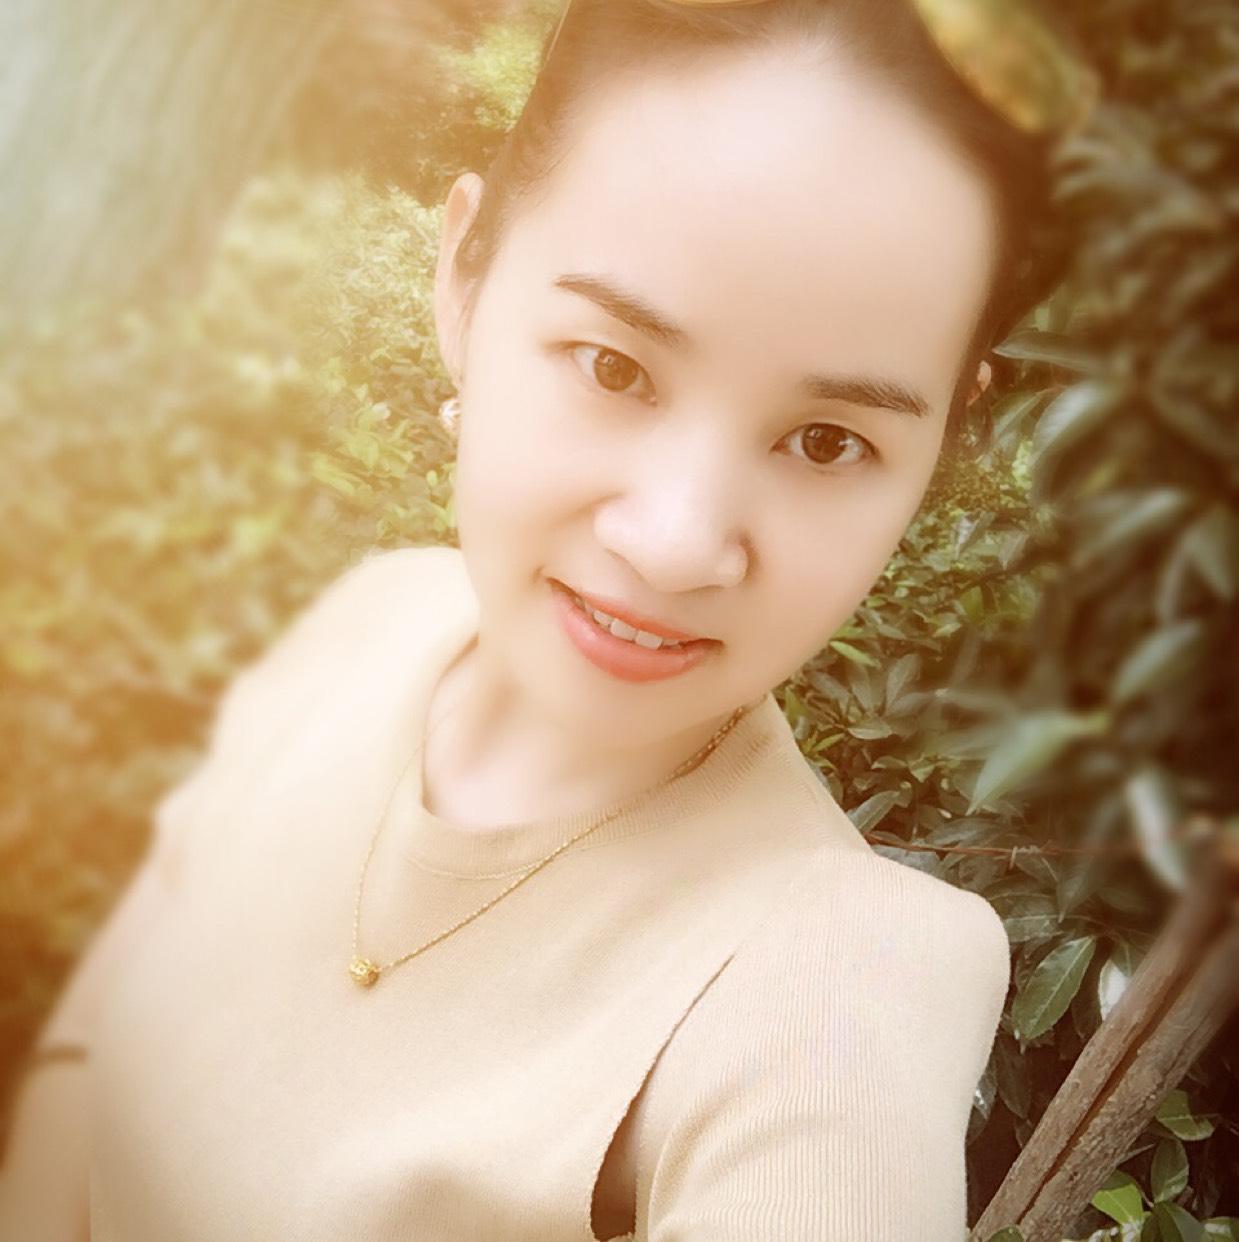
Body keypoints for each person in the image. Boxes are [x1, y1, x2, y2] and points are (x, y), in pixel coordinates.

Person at [0, 0, 1075, 1237]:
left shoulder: (833, 979)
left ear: (940, 443)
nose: (675, 543)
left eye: (828, 441)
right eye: (615, 366)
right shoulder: (374, 616)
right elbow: (90, 1050)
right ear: (465, 276)